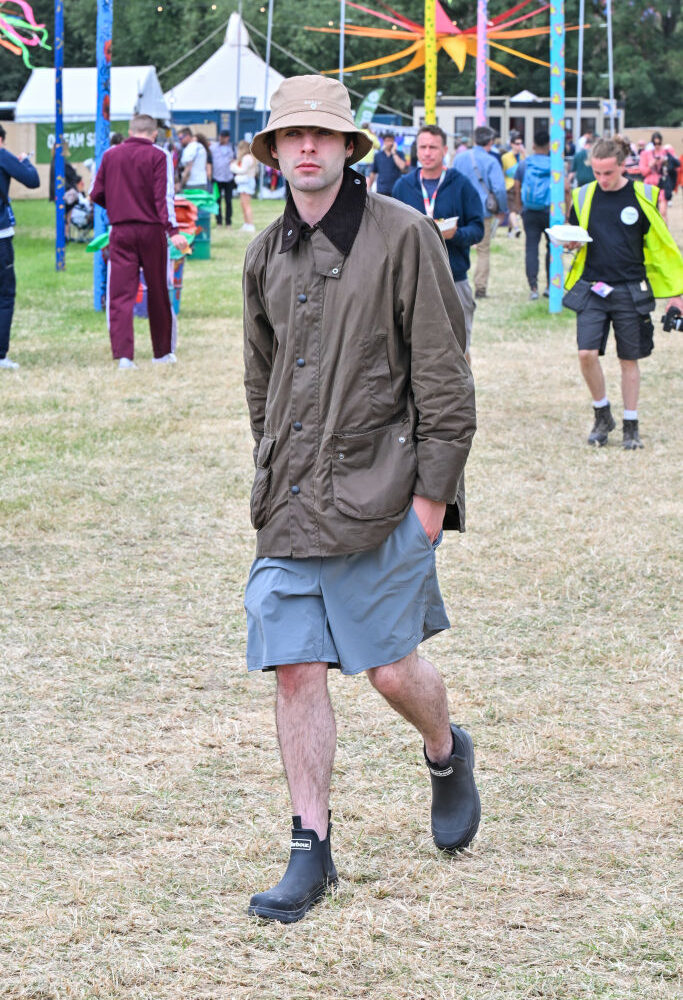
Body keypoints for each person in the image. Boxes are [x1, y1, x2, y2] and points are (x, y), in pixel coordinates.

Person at [242, 74, 478, 924]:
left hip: (384, 497)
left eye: (322, 135)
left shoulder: (404, 236)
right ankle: (310, 846)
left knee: (387, 668)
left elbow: (446, 383)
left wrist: (429, 503)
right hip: (290, 505)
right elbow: (259, 381)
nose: (306, 148)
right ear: (274, 154)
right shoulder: (264, 254)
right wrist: (270, 469)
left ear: (347, 147)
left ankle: (446, 751)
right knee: (295, 665)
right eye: (290, 137)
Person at [563, 136, 683, 449]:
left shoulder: (644, 195)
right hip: (593, 287)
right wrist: (571, 242)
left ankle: (631, 424)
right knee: (586, 353)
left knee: (629, 359)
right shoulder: (583, 194)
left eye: (608, 173)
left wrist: (676, 294)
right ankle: (602, 413)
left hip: (631, 288)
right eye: (597, 173)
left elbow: (661, 247)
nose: (601, 179)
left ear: (622, 166)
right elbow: (577, 235)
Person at [91, 114, 189, 368]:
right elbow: (163, 197)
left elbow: (96, 193)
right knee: (158, 290)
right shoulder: (159, 156)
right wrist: (173, 230)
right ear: (154, 133)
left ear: (130, 130)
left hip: (120, 230)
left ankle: (124, 357)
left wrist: (117, 206)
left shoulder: (110, 155)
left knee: (120, 294)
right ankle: (162, 353)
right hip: (152, 230)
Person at [392, 124, 484, 363]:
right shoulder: (403, 186)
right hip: (412, 280)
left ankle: (461, 397)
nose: (427, 152)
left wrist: (456, 235)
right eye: (422, 147)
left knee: (458, 348)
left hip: (454, 277)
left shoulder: (461, 185)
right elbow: (388, 231)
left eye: (433, 147)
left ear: (444, 150)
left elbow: (478, 229)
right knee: (413, 350)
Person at [0, 124, 40, 370]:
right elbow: (32, 181)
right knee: (4, 294)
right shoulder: (3, 156)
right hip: (0, 236)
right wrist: (24, 162)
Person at [453, 125, 507, 299]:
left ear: (474, 139)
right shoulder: (491, 161)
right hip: (482, 210)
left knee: (456, 246)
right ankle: (480, 287)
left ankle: (456, 283)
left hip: (458, 209)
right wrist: (502, 209)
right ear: (490, 142)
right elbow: (499, 188)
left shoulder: (459, 158)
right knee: (483, 250)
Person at [514, 130, 552, 300]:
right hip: (550, 211)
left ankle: (533, 287)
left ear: (534, 146)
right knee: (552, 248)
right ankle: (551, 286)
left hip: (529, 211)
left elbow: (516, 187)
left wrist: (519, 207)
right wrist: (566, 212)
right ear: (549, 146)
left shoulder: (524, 164)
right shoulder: (555, 164)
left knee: (531, 248)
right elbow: (565, 188)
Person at [230, 140, 258, 232]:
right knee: (243, 204)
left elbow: (242, 170)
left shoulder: (247, 157)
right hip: (247, 182)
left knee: (246, 205)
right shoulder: (250, 157)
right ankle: (246, 224)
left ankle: (250, 225)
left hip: (246, 182)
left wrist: (233, 166)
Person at [501, 131, 525, 236]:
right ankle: (516, 228)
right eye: (517, 143)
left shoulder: (523, 156)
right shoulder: (506, 157)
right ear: (511, 144)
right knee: (512, 209)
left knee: (515, 210)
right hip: (509, 186)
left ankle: (510, 230)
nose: (519, 146)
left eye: (521, 143)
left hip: (521, 186)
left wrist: (524, 153)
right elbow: (502, 172)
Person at [210, 129, 235, 226]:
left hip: (229, 178)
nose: (221, 138)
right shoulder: (213, 147)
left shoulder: (232, 147)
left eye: (223, 136)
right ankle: (219, 222)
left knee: (228, 201)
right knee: (217, 201)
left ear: (227, 137)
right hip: (216, 178)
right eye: (220, 136)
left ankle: (228, 222)